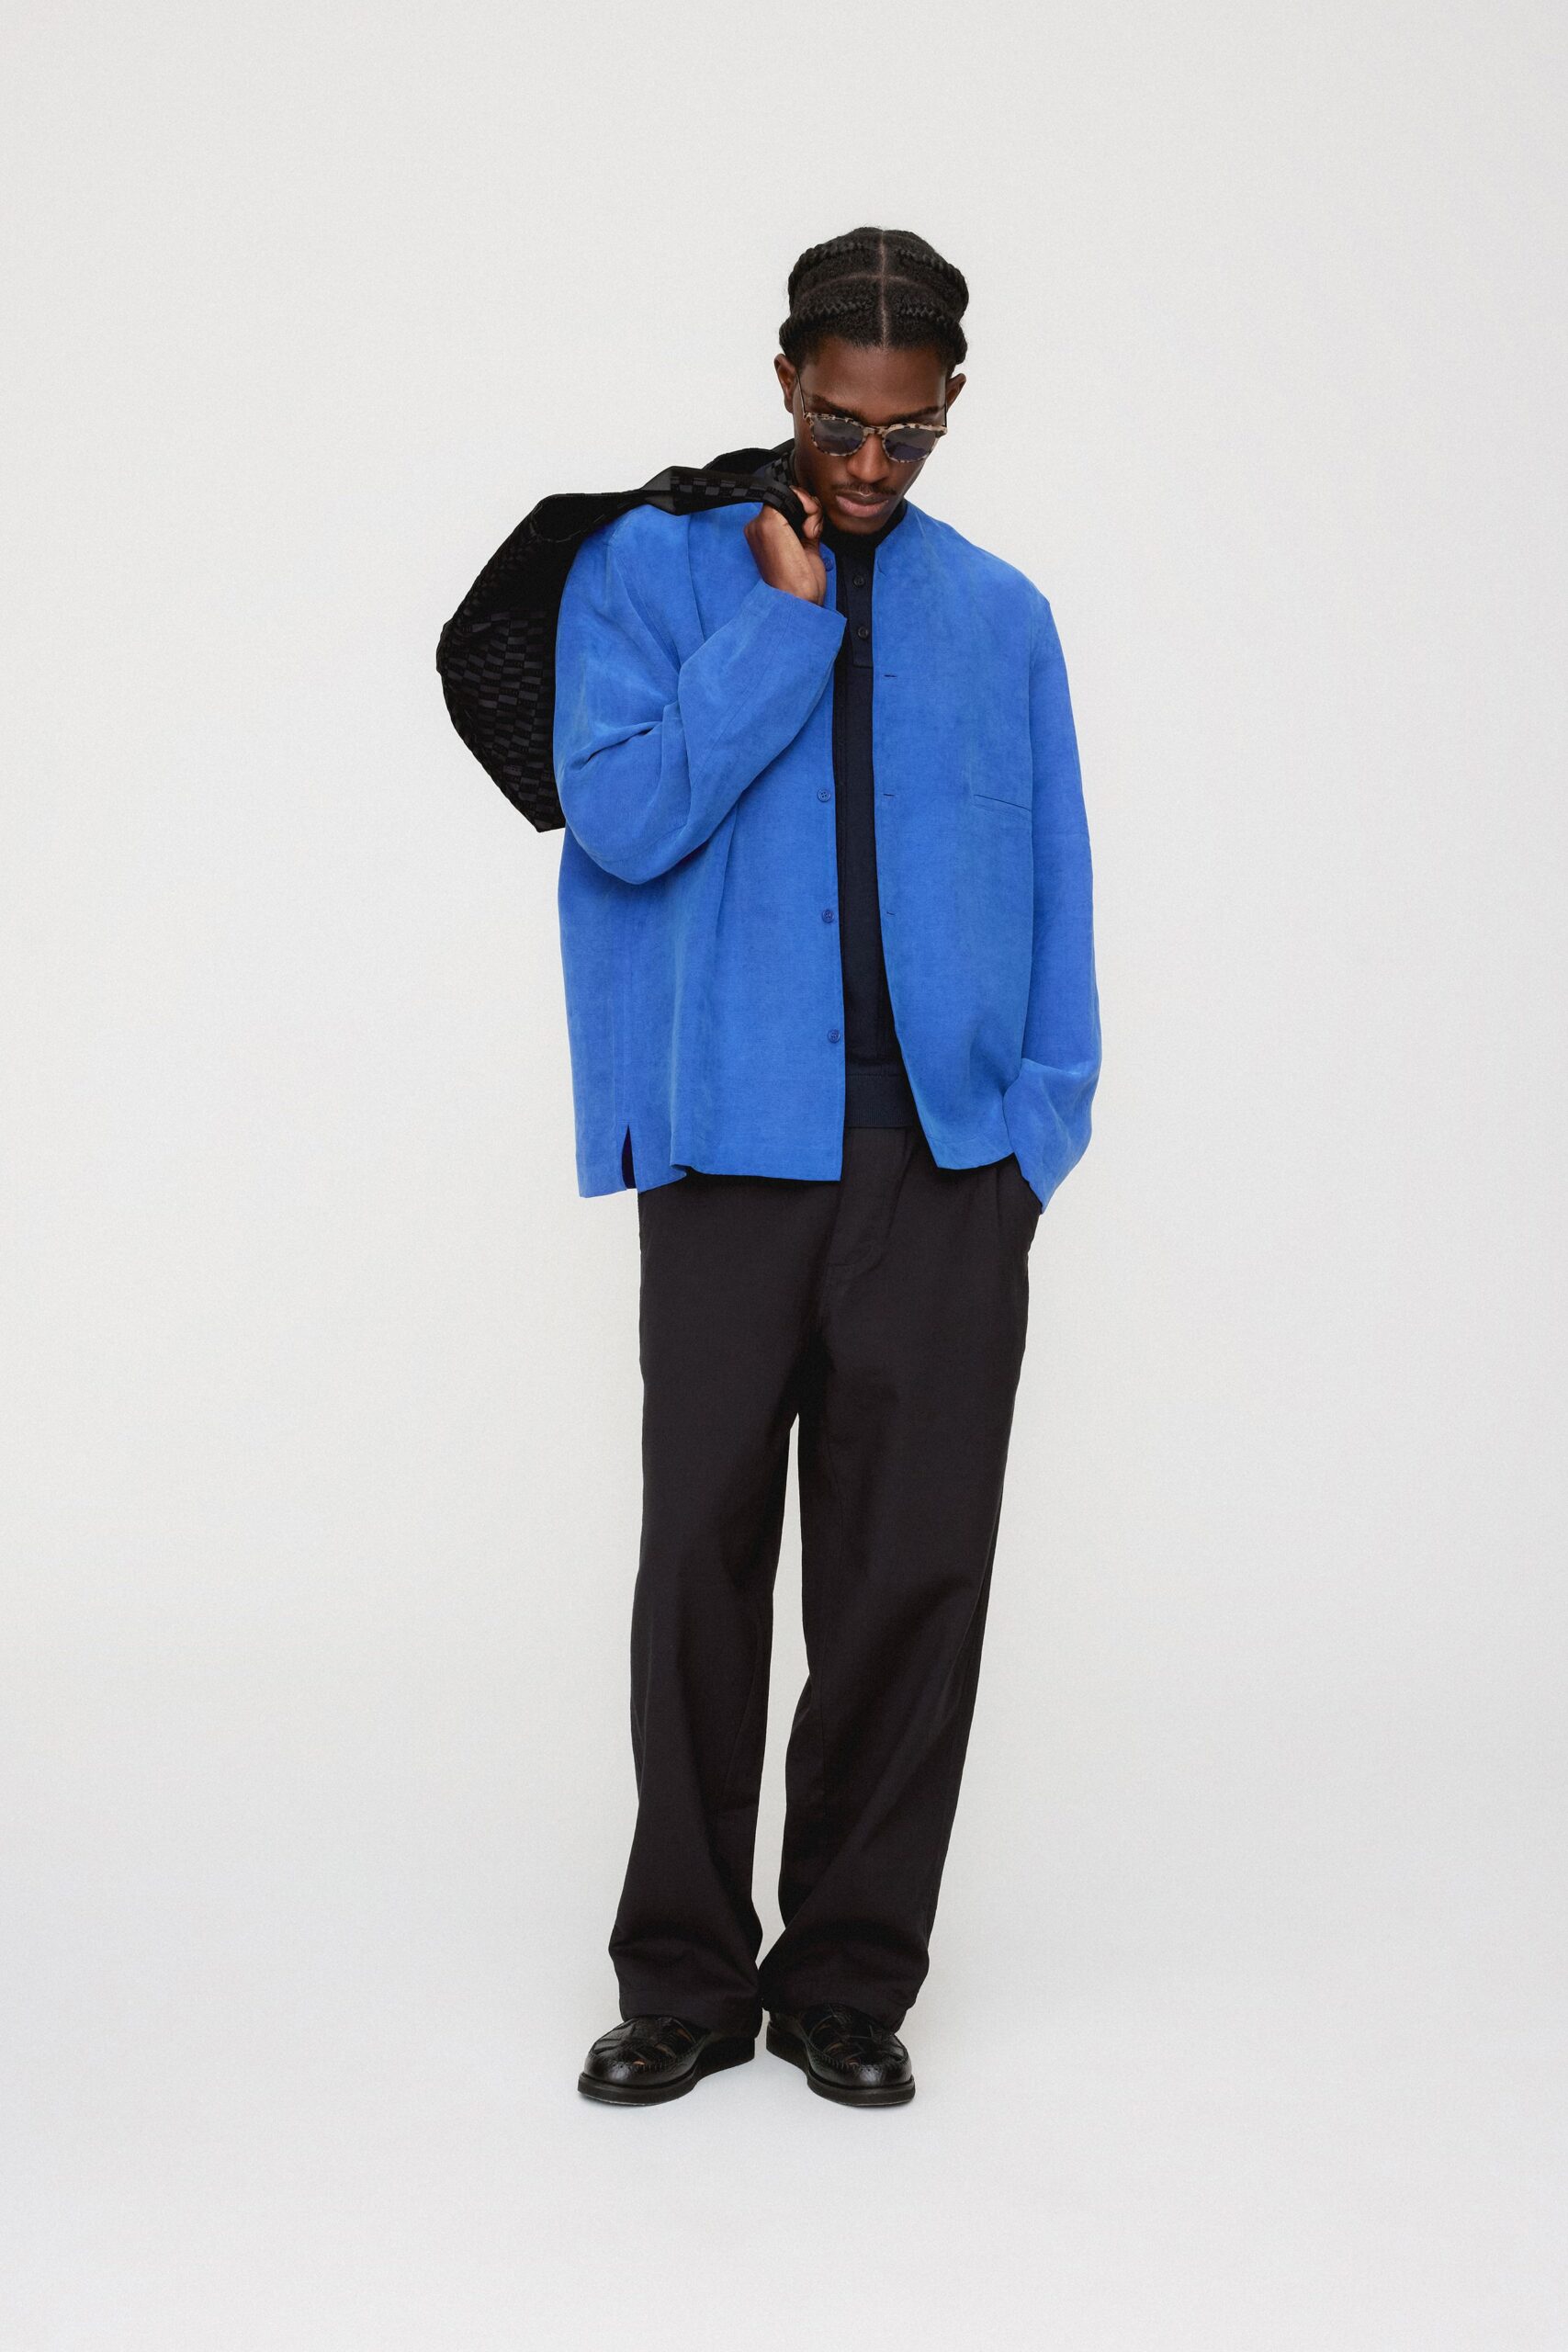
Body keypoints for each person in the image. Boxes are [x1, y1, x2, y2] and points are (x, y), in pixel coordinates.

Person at [555, 227, 1101, 2109]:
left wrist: (1037, 1128)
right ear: (785, 378)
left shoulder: (1000, 614)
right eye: (840, 423)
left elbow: (1058, 880)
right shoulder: (647, 570)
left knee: (908, 1576)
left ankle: (852, 1978)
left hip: (943, 1166)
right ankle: (686, 1981)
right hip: (728, 1146)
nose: (869, 464)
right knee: (699, 1564)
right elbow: (620, 818)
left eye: (907, 431)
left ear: (949, 403)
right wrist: (778, 625)